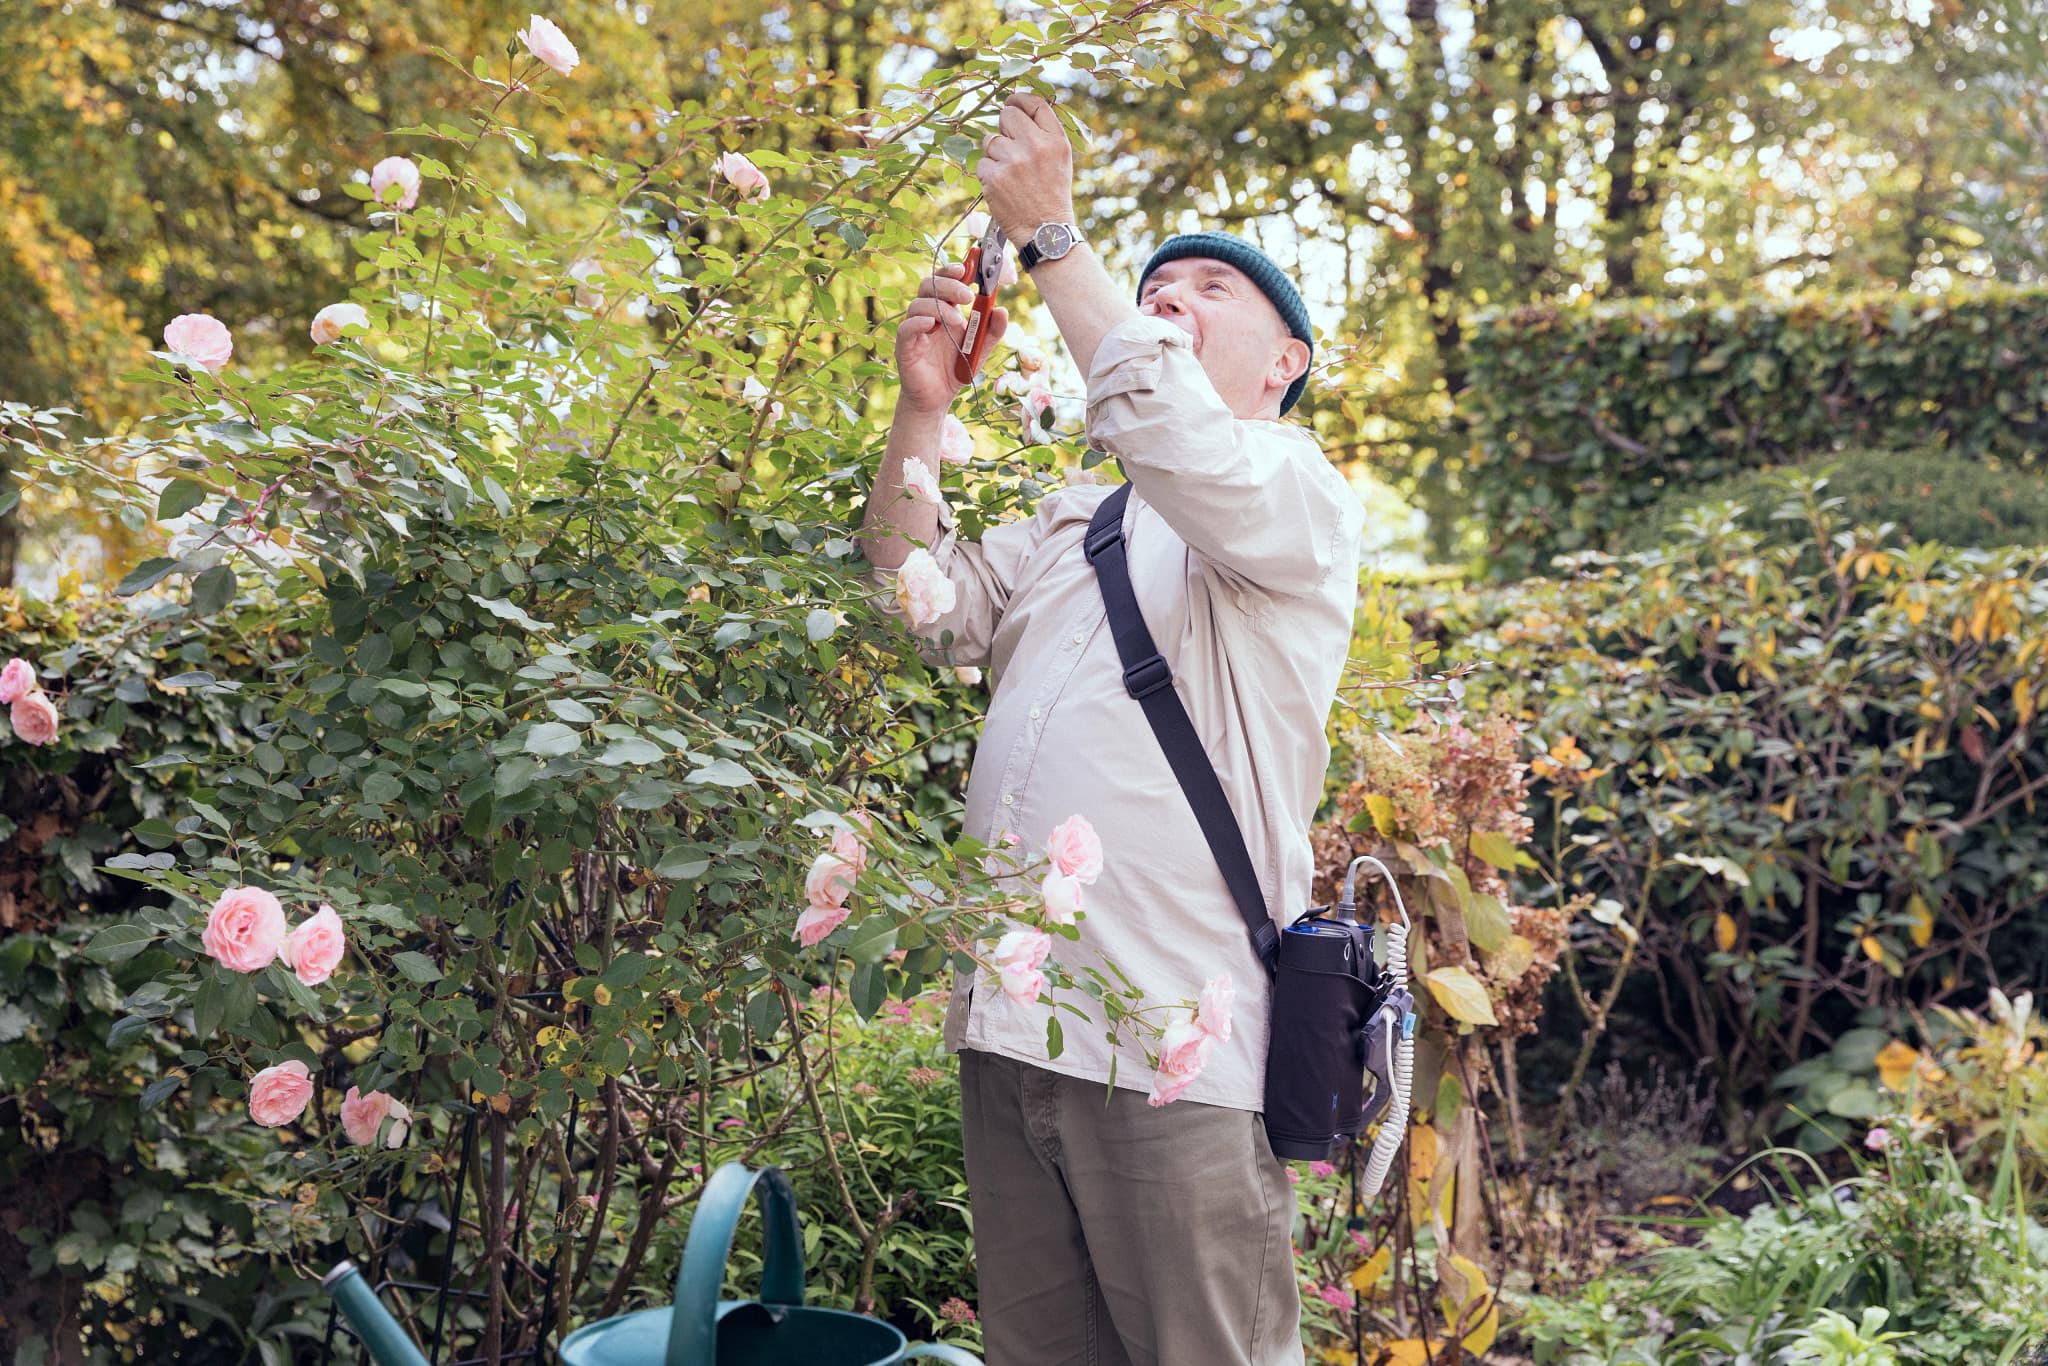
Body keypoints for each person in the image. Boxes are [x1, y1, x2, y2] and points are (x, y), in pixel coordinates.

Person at [856, 91, 1364, 1366]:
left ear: (1282, 363)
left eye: (1204, 290)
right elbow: (911, 610)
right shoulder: (1078, 516)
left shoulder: (1290, 494)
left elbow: (1163, 426)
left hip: (1173, 1040)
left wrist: (1054, 240)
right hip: (1015, 1027)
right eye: (1155, 288)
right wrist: (921, 410)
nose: (1167, 302)